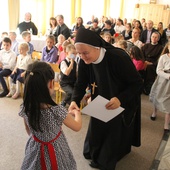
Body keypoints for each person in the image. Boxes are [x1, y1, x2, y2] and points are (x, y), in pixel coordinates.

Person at [69, 28, 143, 170]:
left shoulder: (118, 57)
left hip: (121, 101)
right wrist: (74, 100)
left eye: (85, 53)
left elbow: (137, 83)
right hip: (99, 101)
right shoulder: (84, 60)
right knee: (91, 145)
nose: (83, 57)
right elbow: (81, 83)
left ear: (97, 48)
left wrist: (120, 99)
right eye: (79, 53)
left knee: (108, 154)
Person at [19, 61, 82, 170]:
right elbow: (77, 126)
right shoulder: (57, 110)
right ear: (51, 84)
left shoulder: (25, 106)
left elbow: (28, 129)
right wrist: (77, 113)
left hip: (35, 144)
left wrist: (38, 138)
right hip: (56, 148)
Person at [149, 42, 170, 132]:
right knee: (157, 97)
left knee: (168, 102)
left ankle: (166, 124)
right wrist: (168, 76)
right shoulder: (163, 57)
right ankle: (154, 112)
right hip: (163, 81)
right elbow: (159, 70)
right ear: (168, 47)